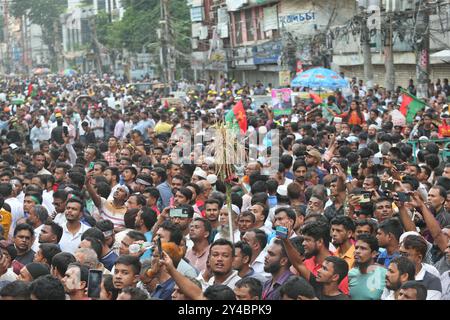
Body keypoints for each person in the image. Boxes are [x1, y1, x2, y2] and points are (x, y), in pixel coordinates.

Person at [399, 234, 442, 300]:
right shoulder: (394, 274)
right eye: (400, 253)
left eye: (405, 255)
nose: (400, 258)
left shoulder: (432, 281)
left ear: (419, 258)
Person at [348, 234, 387, 300]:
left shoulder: (385, 275)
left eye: (363, 248)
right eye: (356, 248)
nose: (357, 251)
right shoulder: (351, 273)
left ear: (374, 253)